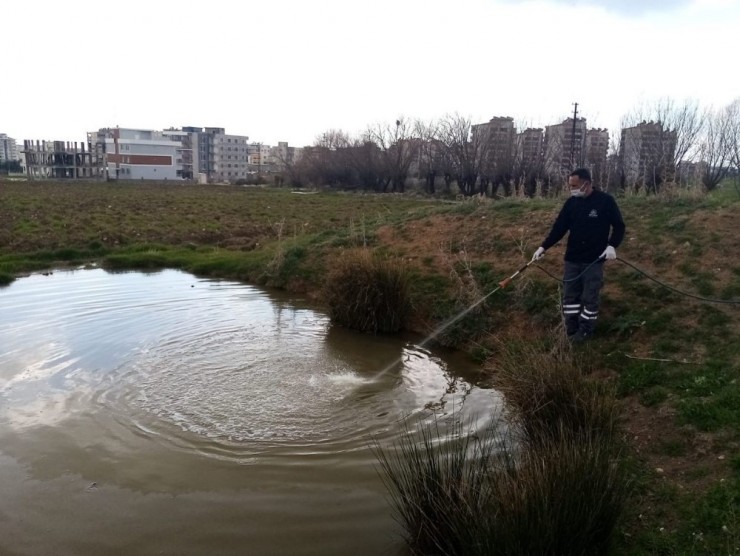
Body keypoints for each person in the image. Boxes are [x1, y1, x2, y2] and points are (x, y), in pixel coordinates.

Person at [531, 168, 625, 342]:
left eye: (574, 185)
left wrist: (612, 246)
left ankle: (586, 331)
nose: (571, 189)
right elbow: (559, 228)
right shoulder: (571, 203)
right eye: (570, 185)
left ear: (586, 184)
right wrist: (543, 247)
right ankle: (571, 328)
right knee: (570, 297)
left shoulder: (605, 201)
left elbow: (619, 226)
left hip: (594, 260)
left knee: (590, 297)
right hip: (572, 258)